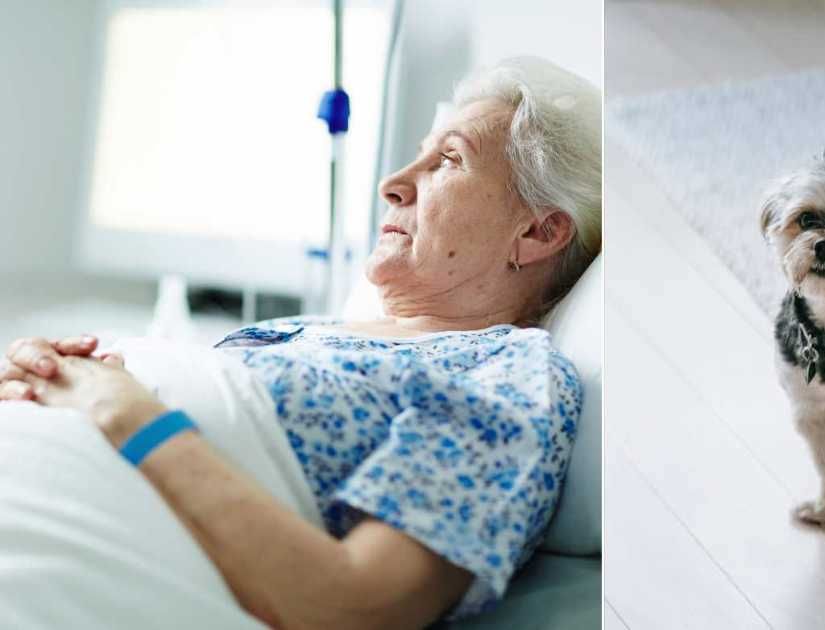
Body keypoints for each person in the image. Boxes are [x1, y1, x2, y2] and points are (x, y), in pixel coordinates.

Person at [0, 56, 600, 629]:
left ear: (539, 231)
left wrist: (121, 411)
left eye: (447, 160)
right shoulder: (306, 331)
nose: (392, 184)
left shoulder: (507, 375)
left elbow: (354, 607)